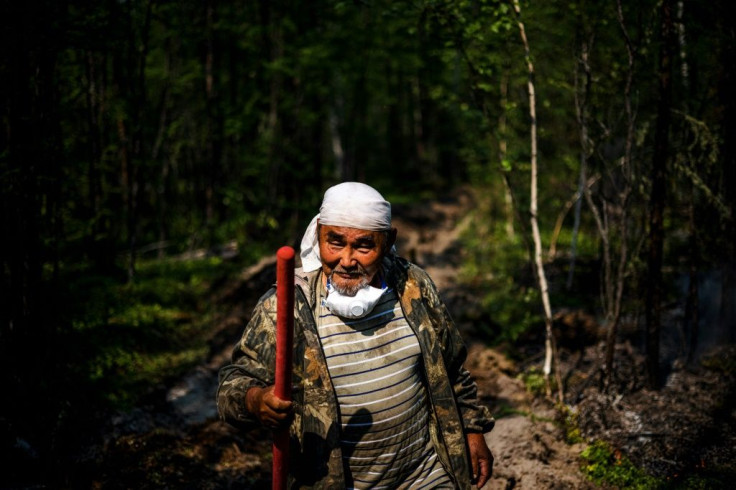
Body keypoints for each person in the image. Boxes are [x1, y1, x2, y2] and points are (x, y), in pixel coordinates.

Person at [217, 182, 494, 489]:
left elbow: (452, 365)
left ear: (388, 242)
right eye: (334, 243)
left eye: (364, 246)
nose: (347, 261)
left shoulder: (412, 286)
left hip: (425, 474)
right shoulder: (287, 307)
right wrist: (256, 400)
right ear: (318, 234)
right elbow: (233, 383)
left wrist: (472, 428)